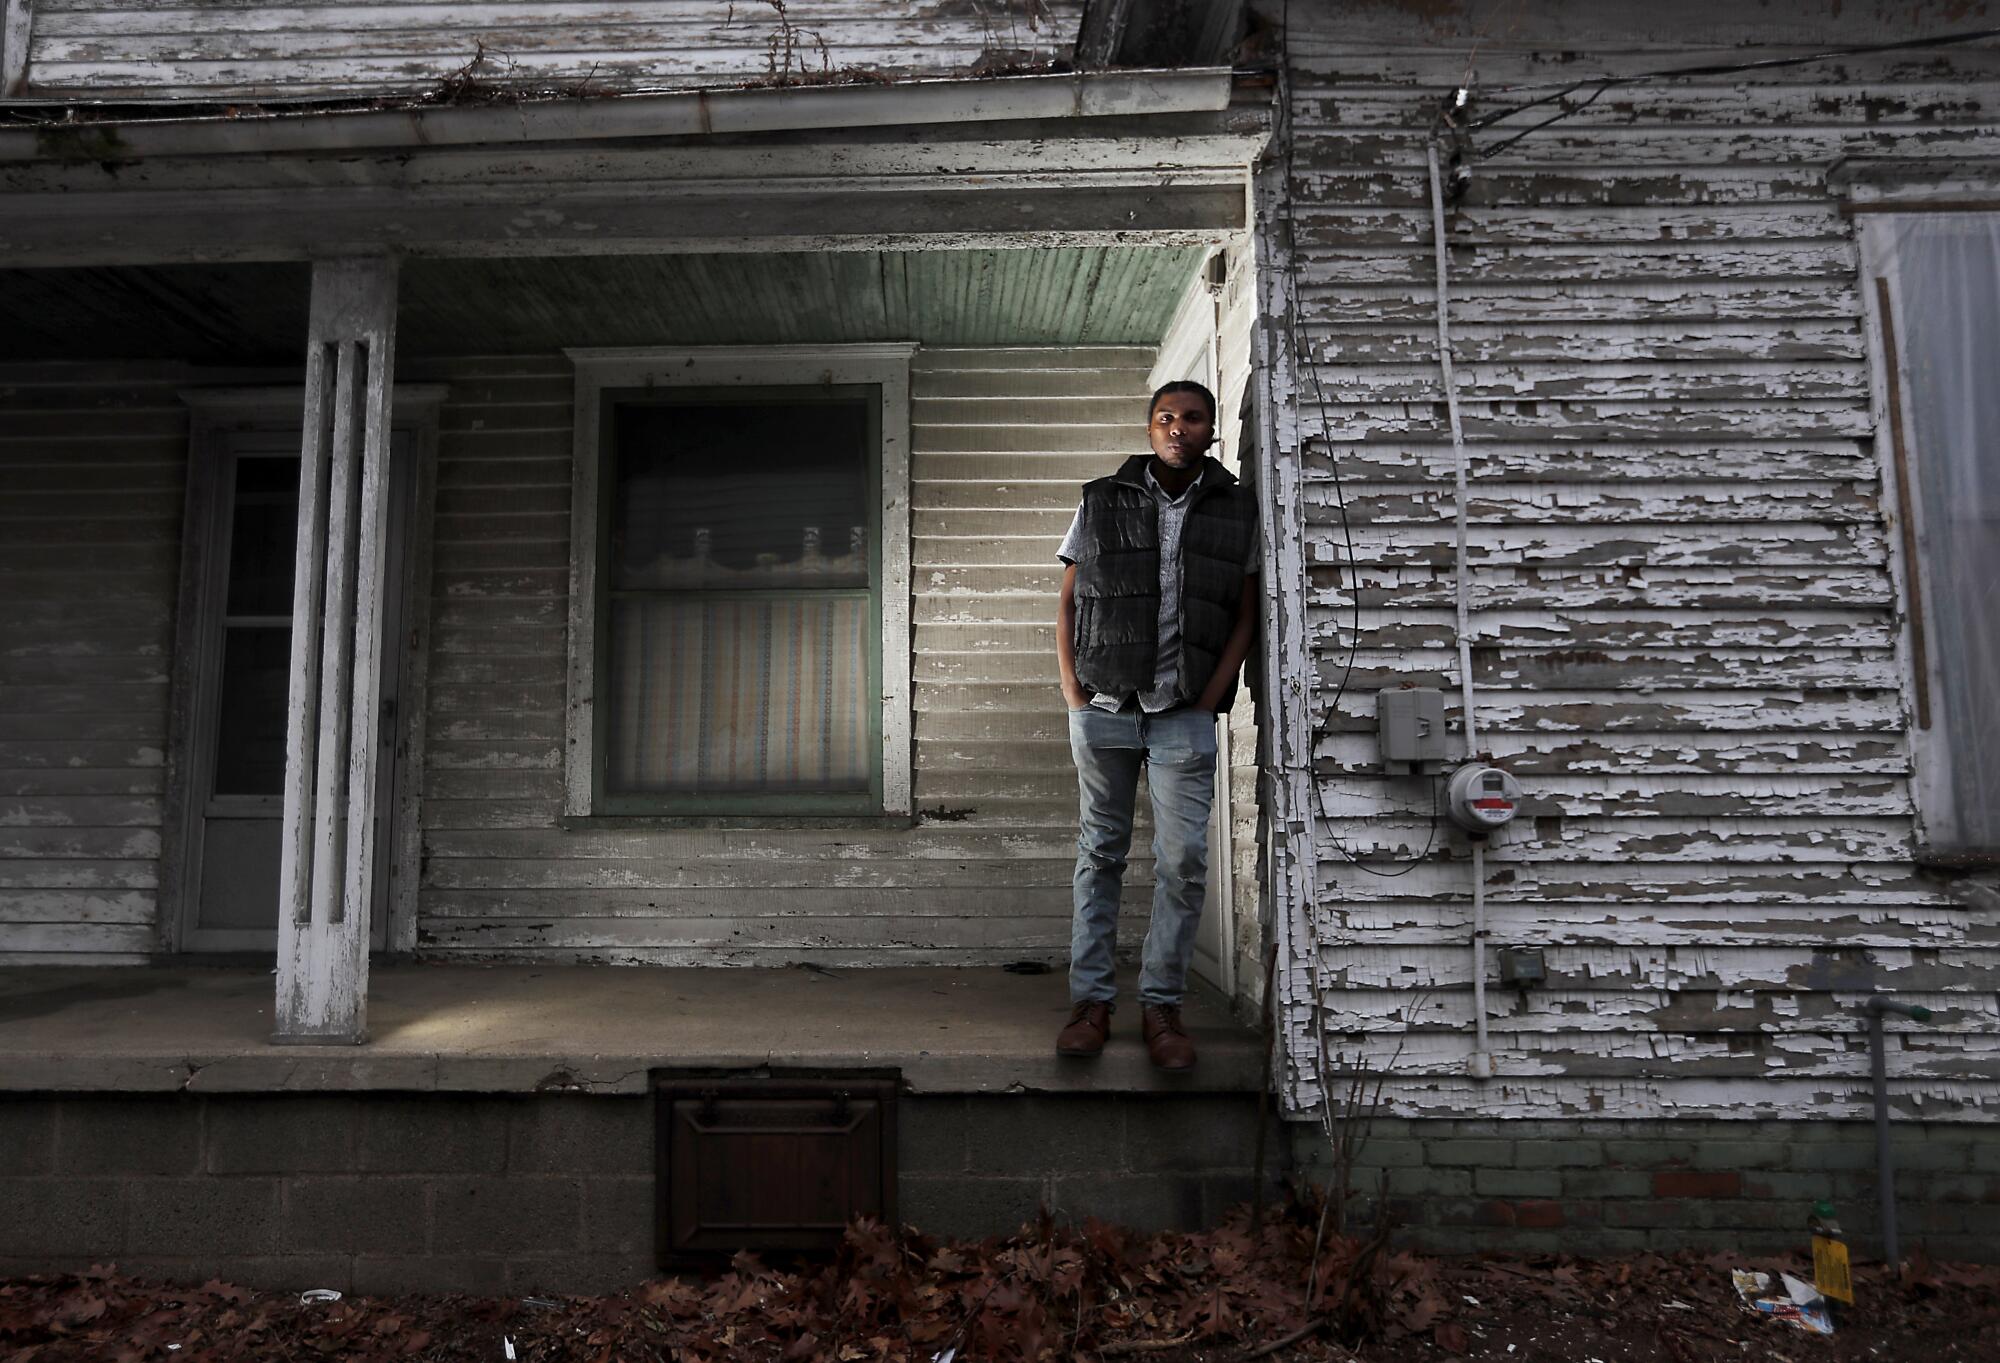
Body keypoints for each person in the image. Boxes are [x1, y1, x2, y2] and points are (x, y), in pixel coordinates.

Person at [1052, 380, 1259, 1070]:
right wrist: (1072, 691)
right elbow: (1071, 599)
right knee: (1100, 856)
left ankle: (1162, 1005)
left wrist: (1210, 696)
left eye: (1192, 417)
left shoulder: (1236, 508)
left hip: (1182, 714)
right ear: (1150, 429)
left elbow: (1246, 612)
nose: (1178, 427)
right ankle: (1091, 1001)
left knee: (1183, 862)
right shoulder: (1100, 500)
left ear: (1209, 430)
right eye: (1165, 417)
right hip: (1106, 709)